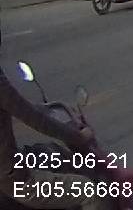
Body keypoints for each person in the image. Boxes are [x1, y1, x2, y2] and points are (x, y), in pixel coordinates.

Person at [0, 62, 105, 209]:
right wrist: (79, 137)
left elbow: (16, 104)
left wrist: (41, 108)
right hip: (11, 177)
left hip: (9, 164)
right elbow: (32, 117)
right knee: (88, 192)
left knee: (47, 153)